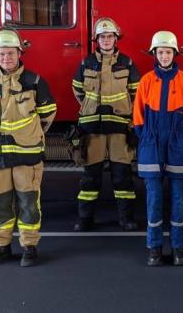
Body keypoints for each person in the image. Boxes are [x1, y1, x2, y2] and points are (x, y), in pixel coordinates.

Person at [0, 27, 56, 267]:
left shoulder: (34, 81)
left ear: (19, 54)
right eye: (1, 54)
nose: (6, 58)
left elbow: (47, 114)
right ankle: (1, 246)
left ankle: (29, 247)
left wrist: (30, 135)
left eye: (10, 53)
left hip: (26, 156)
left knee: (28, 202)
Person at [133, 31, 183, 267]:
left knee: (179, 200)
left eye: (168, 52)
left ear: (174, 53)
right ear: (154, 54)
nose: (164, 56)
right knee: (154, 199)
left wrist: (180, 138)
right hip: (151, 146)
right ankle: (155, 248)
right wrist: (147, 139)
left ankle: (179, 248)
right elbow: (138, 117)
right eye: (160, 52)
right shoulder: (146, 80)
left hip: (177, 146)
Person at [71, 18, 141, 231]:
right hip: (93, 129)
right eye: (103, 37)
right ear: (97, 40)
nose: (107, 40)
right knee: (90, 177)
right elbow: (78, 90)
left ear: (115, 39)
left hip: (120, 128)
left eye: (110, 36)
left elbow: (136, 92)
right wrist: (90, 108)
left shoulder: (127, 63)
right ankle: (85, 219)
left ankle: (126, 219)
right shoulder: (86, 63)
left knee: (122, 176)